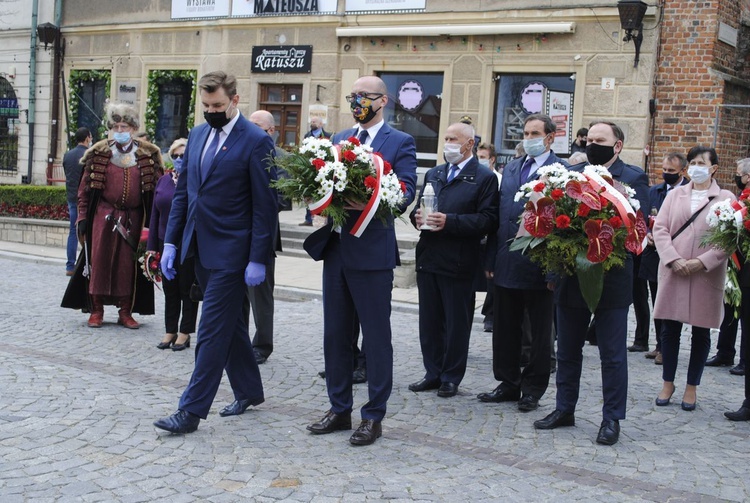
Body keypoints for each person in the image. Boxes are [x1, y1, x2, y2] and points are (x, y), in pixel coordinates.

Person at [153, 71, 278, 434]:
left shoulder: (256, 141)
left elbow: (264, 205)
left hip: (234, 252)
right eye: (206, 106)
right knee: (231, 326)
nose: (212, 111)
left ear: (235, 101)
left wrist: (257, 257)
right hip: (199, 247)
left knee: (209, 331)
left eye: (218, 105)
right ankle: (250, 391)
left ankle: (190, 411)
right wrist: (172, 242)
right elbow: (184, 193)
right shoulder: (197, 134)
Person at [304, 75, 417, 446]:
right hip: (336, 250)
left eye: (363, 96)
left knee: (376, 337)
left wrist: (373, 201)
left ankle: (373, 416)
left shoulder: (400, 141)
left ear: (383, 101)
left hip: (372, 254)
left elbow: (405, 192)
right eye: (353, 96)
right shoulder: (339, 138)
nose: (357, 102)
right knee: (336, 334)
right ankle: (339, 408)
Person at [533, 120, 649, 446]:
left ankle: (611, 418)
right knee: (568, 350)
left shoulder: (634, 177)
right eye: (589, 139)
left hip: (612, 280)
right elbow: (556, 222)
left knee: (612, 355)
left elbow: (636, 227)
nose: (592, 144)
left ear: (618, 146)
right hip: (572, 275)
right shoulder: (573, 174)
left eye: (600, 140)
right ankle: (564, 408)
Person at [477, 114, 566, 412]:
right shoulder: (512, 167)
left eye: (535, 133)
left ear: (550, 137)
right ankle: (507, 381)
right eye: (526, 133)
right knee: (504, 328)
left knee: (539, 333)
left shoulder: (562, 172)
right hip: (506, 261)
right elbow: (500, 217)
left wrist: (556, 268)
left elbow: (563, 227)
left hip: (540, 265)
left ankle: (532, 389)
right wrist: (491, 258)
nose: (529, 138)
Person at [408, 122, 498, 398]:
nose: (447, 143)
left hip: (459, 260)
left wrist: (451, 221)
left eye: (453, 139)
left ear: (469, 143)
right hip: (429, 257)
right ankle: (432, 372)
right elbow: (418, 208)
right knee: (430, 321)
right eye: (445, 137)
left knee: (457, 323)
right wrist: (417, 218)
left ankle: (450, 376)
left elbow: (488, 220)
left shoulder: (483, 177)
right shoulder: (435, 173)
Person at [61, 103, 162, 329]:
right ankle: (96, 309)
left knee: (127, 265)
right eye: (115, 126)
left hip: (134, 219)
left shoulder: (148, 154)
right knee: (100, 261)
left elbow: (158, 192)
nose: (119, 130)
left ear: (134, 128)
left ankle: (125, 311)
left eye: (124, 125)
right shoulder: (99, 153)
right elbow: (84, 191)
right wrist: (83, 218)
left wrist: (155, 224)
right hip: (103, 216)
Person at [652, 146, 734, 411]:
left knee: (701, 331)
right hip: (674, 269)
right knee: (670, 330)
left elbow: (728, 240)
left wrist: (702, 261)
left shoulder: (725, 198)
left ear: (714, 168)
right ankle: (668, 382)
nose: (696, 167)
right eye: (692, 162)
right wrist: (673, 258)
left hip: (705, 274)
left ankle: (691, 386)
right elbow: (661, 228)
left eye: (701, 162)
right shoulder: (675, 195)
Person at [146, 138, 199, 351]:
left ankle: (185, 332)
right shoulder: (164, 181)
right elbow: (154, 215)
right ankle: (170, 330)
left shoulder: (196, 181)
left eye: (183, 156)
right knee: (169, 288)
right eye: (175, 156)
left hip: (187, 242)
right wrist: (152, 247)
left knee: (187, 288)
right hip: (163, 240)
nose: (178, 160)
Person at [246, 109, 289, 364]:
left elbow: (281, 199)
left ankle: (262, 345)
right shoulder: (241, 150)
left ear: (271, 131)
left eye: (258, 127)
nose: (252, 131)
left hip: (262, 236)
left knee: (261, 296)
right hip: (235, 235)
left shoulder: (281, 158)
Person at [639, 152, 689, 365]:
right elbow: (643, 218)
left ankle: (668, 346)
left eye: (672, 171)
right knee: (657, 300)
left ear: (683, 171)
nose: (667, 174)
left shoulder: (688, 193)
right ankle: (660, 344)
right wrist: (647, 235)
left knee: (671, 302)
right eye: (665, 170)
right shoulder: (655, 191)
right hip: (653, 254)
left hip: (678, 254)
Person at [706, 159, 750, 376]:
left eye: (738, 173)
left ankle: (745, 360)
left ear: (747, 177)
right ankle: (725, 351)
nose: (736, 176)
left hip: (746, 263)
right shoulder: (742, 198)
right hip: (735, 261)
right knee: (730, 306)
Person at [476, 142, 500, 332]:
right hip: (477, 235)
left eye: (483, 157)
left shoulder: (499, 179)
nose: (480, 160)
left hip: (491, 235)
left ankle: (490, 315)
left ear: (492, 159)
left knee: (491, 279)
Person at [62, 127, 91, 276]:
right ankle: (87, 263)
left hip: (71, 198)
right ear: (87, 138)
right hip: (85, 199)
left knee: (73, 231)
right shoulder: (88, 155)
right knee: (89, 232)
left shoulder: (67, 155)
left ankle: (70, 266)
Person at [300, 117, 332, 226]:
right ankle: (309, 219)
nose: (312, 123)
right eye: (311, 121)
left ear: (321, 124)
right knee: (309, 193)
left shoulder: (328, 136)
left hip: (323, 168)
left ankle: (321, 220)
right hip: (309, 168)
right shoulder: (307, 136)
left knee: (321, 194)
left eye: (314, 122)